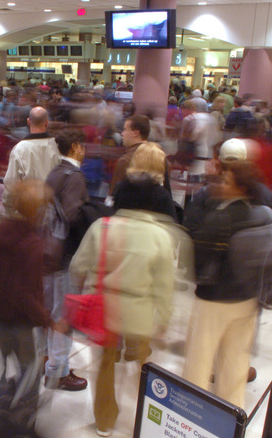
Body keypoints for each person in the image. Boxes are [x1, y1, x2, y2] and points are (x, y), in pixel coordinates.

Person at [69, 151, 176, 436]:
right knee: (142, 361)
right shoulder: (159, 236)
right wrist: (163, 319)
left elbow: (78, 266)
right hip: (140, 312)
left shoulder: (101, 227)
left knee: (104, 365)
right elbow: (165, 284)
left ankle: (104, 420)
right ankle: (146, 413)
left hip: (104, 308)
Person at [182, 161, 272, 409]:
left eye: (226, 181)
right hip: (248, 300)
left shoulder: (219, 218)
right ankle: (231, 420)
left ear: (240, 187)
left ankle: (193, 417)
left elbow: (196, 261)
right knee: (235, 363)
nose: (220, 184)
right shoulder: (264, 214)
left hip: (214, 301)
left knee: (198, 363)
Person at [0, 179, 64, 437]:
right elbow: (25, 295)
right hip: (20, 323)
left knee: (4, 368)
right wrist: (49, 320)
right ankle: (23, 425)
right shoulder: (31, 244)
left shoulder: (2, 230)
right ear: (38, 210)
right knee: (31, 373)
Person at [43, 129, 89, 391]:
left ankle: (47, 360)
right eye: (81, 145)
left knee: (51, 310)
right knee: (63, 314)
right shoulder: (75, 176)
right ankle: (57, 372)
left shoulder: (55, 172)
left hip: (47, 252)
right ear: (75, 147)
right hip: (65, 255)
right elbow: (72, 215)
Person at [2, 106, 61, 214]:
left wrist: (9, 211)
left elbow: (11, 183)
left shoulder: (20, 149)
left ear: (28, 122)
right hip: (53, 211)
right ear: (47, 123)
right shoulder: (57, 146)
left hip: (28, 211)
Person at [110, 115, 172, 195]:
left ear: (135, 133)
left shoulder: (125, 160)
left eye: (125, 129)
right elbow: (166, 190)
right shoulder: (161, 157)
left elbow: (113, 197)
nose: (122, 133)